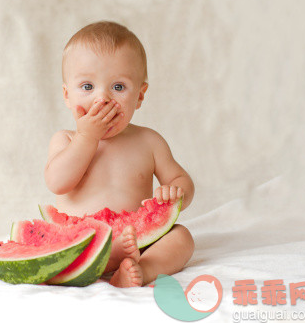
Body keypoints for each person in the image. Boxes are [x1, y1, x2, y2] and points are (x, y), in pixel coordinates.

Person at [44, 21, 195, 287]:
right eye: (87, 87)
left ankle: (141, 269)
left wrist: (176, 192)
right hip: (79, 242)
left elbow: (180, 179)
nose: (102, 99)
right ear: (67, 96)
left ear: (140, 95)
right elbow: (57, 183)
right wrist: (86, 137)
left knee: (182, 238)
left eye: (118, 87)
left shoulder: (149, 141)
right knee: (49, 247)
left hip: (136, 241)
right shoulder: (65, 139)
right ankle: (104, 257)